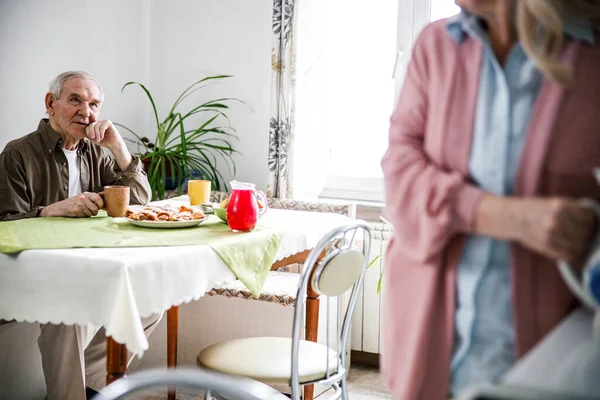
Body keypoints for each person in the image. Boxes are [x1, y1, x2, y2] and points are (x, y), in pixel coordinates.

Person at [381, 1, 600, 399]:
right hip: (426, 354)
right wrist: (509, 217)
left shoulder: (591, 56)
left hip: (551, 371)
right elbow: (399, 175)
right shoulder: (436, 46)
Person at [0, 71, 160, 400]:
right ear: (51, 103)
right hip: (29, 271)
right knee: (69, 313)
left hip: (82, 265)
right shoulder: (17, 153)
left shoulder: (95, 151)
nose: (85, 111)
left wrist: (118, 146)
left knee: (151, 297)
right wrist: (50, 210)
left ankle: (90, 388)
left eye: (93, 104)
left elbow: (141, 199)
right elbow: (4, 223)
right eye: (75, 100)